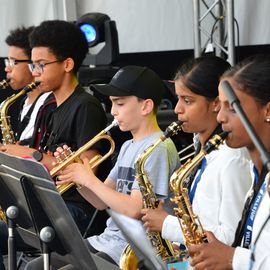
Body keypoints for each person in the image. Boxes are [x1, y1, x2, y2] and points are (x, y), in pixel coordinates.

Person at [25, 65, 181, 269]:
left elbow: (135, 209)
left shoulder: (158, 148)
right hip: (109, 241)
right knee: (35, 267)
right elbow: (100, 202)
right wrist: (78, 177)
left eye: (120, 104)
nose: (113, 111)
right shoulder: (127, 146)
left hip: (134, 250)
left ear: (146, 106)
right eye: (112, 104)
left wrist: (88, 178)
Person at [0, 20, 110, 236]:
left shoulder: (85, 105)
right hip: (53, 203)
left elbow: (88, 172)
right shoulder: (51, 106)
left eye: (41, 64)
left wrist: (30, 155)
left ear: (67, 64)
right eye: (33, 65)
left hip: (77, 209)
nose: (35, 72)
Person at [141, 56, 252, 252]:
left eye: (187, 100)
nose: (177, 109)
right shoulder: (201, 148)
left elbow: (232, 238)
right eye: (178, 99)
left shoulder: (232, 158)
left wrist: (168, 224)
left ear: (216, 103)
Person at [188, 55, 270, 270]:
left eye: (231, 107)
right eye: (220, 106)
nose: (220, 117)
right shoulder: (256, 171)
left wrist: (232, 258)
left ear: (268, 111)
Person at [4, 26, 55, 146]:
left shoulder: (48, 103)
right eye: (7, 61)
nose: (7, 68)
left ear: (33, 62)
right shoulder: (24, 101)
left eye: (13, 62)